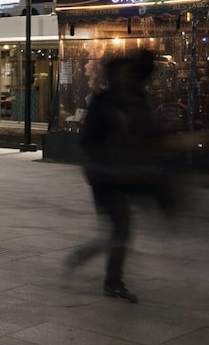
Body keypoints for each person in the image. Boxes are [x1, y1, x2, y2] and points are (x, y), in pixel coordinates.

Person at [67, 50, 176, 303]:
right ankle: (113, 282)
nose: (127, 77)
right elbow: (88, 140)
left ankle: (91, 256)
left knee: (118, 229)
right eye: (123, 73)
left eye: (130, 72)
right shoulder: (102, 102)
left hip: (129, 173)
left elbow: (148, 134)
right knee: (121, 227)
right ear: (113, 76)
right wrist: (113, 147)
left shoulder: (138, 99)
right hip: (105, 177)